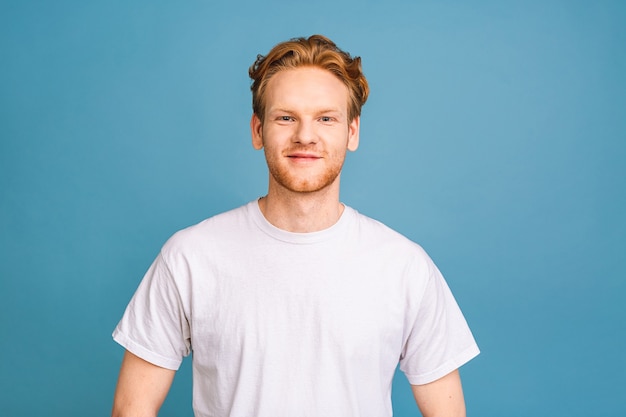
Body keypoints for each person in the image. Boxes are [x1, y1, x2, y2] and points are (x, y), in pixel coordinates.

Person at [111, 34, 479, 417]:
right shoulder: (190, 256)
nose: (305, 136)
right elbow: (131, 410)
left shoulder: (404, 267)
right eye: (286, 117)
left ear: (352, 132)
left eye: (326, 118)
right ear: (258, 131)